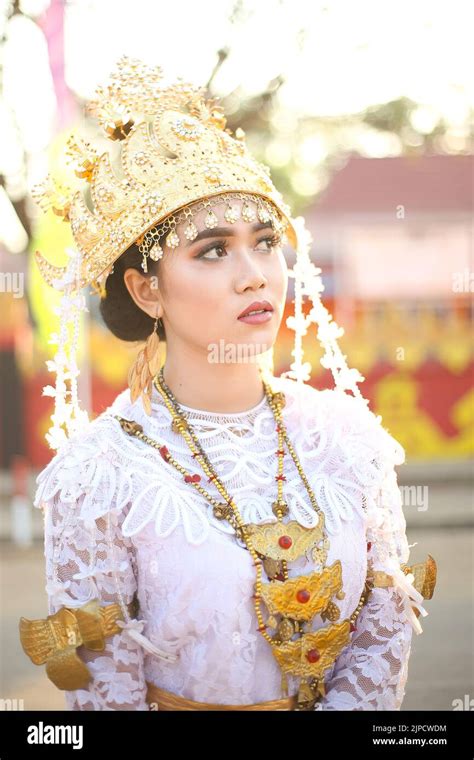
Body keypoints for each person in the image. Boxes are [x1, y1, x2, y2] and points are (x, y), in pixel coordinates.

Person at [19, 56, 436, 711]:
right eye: (212, 250)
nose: (254, 274)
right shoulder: (100, 472)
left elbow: (382, 640)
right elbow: (107, 690)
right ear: (147, 288)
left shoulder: (348, 439)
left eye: (265, 241)